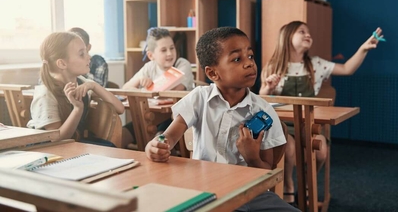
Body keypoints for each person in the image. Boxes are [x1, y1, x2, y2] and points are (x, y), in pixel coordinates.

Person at [145, 27, 299, 212]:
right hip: (203, 190)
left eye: (250, 56)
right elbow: (168, 137)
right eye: (237, 59)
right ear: (212, 74)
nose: (249, 63)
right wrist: (155, 145)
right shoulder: (199, 98)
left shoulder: (263, 110)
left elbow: (265, 171)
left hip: (250, 193)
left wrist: (252, 157)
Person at [259, 20, 383, 206]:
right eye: (302, 32)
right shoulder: (272, 67)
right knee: (289, 148)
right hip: (282, 126)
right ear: (287, 37)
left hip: (308, 123)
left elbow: (347, 69)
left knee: (321, 150)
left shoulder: (315, 64)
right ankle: (289, 185)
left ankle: (308, 182)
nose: (308, 35)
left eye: (309, 32)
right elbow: (262, 97)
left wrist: (363, 49)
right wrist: (268, 87)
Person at [27, 32, 125, 146]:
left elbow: (120, 109)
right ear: (62, 63)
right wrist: (77, 109)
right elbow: (56, 139)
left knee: (110, 148)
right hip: (49, 149)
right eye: (82, 54)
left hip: (74, 142)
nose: (89, 57)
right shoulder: (46, 94)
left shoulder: (81, 82)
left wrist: (93, 85)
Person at [121, 27, 194, 148]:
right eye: (163, 50)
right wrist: (140, 80)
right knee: (121, 135)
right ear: (151, 55)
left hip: (174, 120)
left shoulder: (182, 64)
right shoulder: (150, 67)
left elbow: (175, 91)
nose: (170, 53)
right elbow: (125, 89)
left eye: (172, 48)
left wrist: (145, 90)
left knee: (159, 139)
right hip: (151, 116)